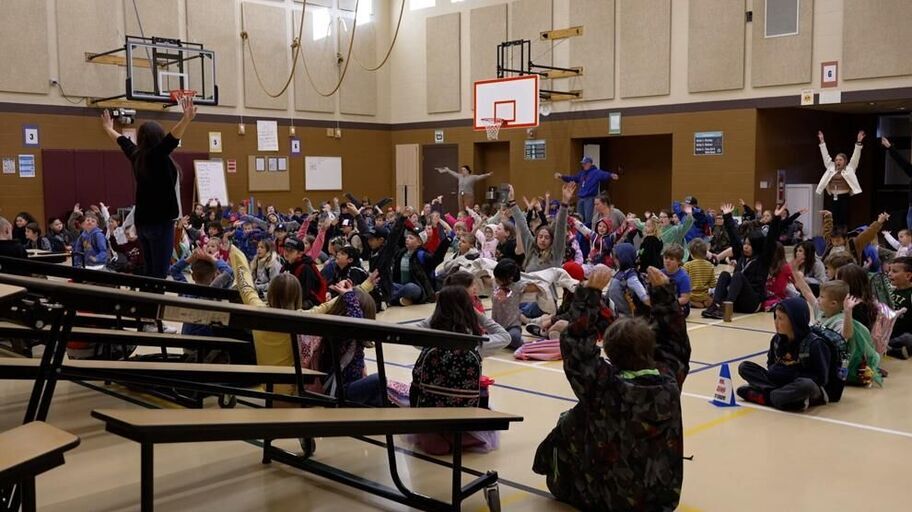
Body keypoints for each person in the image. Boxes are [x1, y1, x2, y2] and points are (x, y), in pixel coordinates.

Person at [532, 267, 691, 511]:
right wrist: (664, 295)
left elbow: (576, 345)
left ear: (610, 354)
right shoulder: (669, 381)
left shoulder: (605, 387)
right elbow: (675, 342)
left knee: (570, 422)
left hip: (609, 501)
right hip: (659, 502)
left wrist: (590, 292)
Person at [101, 95, 197, 278]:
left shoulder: (137, 155)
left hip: (143, 223)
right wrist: (185, 119)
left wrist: (108, 128)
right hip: (159, 223)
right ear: (158, 137)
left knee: (150, 271)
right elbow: (171, 139)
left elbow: (123, 141)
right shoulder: (157, 156)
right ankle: (155, 305)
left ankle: (149, 303)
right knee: (159, 274)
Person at [410, 286, 511, 455]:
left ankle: (432, 434)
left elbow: (411, 333)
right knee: (488, 424)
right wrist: (477, 314)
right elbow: (505, 337)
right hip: (461, 412)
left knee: (435, 444)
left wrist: (437, 314)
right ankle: (453, 435)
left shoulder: (428, 338)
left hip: (427, 409)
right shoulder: (477, 344)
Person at [737, 297, 832, 411]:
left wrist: (791, 374)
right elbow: (770, 363)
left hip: (804, 385)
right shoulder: (777, 340)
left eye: (781, 318)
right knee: (745, 367)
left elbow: (821, 379)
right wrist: (776, 372)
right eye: (775, 317)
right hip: (781, 382)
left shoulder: (815, 344)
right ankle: (783, 398)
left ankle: (766, 397)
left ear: (795, 320)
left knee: (806, 385)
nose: (776, 322)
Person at [703, 203, 782, 318]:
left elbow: (771, 240)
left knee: (738, 275)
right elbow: (734, 237)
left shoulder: (763, 259)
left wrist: (777, 218)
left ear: (756, 246)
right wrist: (727, 216)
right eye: (744, 243)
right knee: (725, 274)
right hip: (738, 300)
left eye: (749, 245)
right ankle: (715, 305)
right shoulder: (742, 255)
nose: (745, 247)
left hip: (752, 302)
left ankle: (726, 309)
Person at [810, 281, 881, 387]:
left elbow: (846, 335)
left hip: (836, 366)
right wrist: (795, 273)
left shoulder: (840, 320)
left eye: (821, 296)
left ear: (833, 303)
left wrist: (848, 312)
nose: (818, 299)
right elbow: (808, 294)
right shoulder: (823, 313)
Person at [816, 130, 865, 229]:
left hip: (844, 197)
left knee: (843, 219)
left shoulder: (850, 168)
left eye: (840, 160)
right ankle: (834, 236)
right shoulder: (830, 167)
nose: (838, 161)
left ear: (845, 161)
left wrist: (859, 142)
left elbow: (856, 156)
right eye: (836, 160)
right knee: (833, 218)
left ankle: (843, 236)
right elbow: (825, 156)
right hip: (833, 196)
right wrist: (822, 142)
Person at [554, 157, 619, 225]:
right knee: (579, 218)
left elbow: (604, 174)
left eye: (585, 163)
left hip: (590, 198)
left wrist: (611, 175)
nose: (583, 165)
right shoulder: (582, 173)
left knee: (588, 219)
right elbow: (573, 178)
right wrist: (562, 176)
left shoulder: (596, 172)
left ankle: (588, 233)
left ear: (590, 164)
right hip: (581, 198)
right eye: (583, 164)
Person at [886, 256, 912, 359]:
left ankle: (890, 349)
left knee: (908, 338)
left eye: (894, 271)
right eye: (889, 270)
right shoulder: (889, 291)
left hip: (904, 336)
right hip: (888, 334)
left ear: (908, 275)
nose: (889, 274)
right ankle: (893, 350)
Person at [684, 238, 716, 309]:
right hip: (704, 296)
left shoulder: (687, 265)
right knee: (711, 298)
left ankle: (692, 303)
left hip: (691, 295)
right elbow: (713, 284)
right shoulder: (710, 265)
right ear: (705, 253)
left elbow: (684, 281)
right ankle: (704, 303)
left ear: (691, 254)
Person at [662, 244, 692, 317]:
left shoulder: (683, 277)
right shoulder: (660, 273)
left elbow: (685, 299)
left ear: (679, 261)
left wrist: (669, 303)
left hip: (680, 305)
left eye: (672, 259)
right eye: (666, 258)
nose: (667, 261)